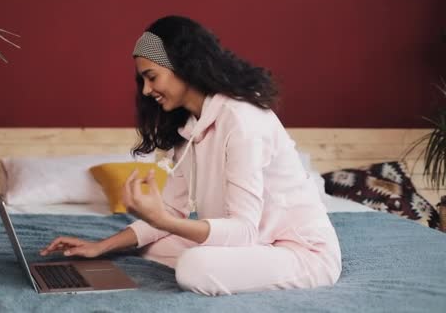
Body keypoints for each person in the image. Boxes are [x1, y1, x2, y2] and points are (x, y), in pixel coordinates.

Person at [40, 15, 342, 296]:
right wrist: (101, 247)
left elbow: (243, 230)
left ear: (184, 67)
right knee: (150, 247)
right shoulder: (189, 127)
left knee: (193, 266)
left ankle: (228, 266)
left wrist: (162, 221)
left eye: (151, 77)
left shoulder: (241, 120)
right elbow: (171, 209)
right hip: (254, 243)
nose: (146, 90)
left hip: (301, 253)